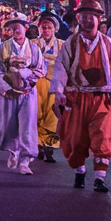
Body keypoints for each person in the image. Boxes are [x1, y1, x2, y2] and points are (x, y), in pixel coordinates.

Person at [51, 0, 111, 192]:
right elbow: (61, 68)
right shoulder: (71, 43)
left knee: (102, 136)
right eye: (83, 17)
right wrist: (58, 92)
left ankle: (100, 178)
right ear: (78, 19)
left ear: (99, 19)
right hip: (76, 98)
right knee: (75, 139)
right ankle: (80, 172)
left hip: (101, 98)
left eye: (90, 16)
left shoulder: (109, 44)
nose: (86, 20)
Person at [0, 17, 45, 175]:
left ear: (26, 28)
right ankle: (13, 151)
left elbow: (40, 68)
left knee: (27, 125)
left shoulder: (34, 49)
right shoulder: (3, 47)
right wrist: (5, 87)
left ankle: (25, 160)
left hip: (27, 93)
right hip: (9, 93)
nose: (15, 32)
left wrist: (28, 74)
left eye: (18, 28)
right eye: (12, 29)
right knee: (8, 126)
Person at [34, 13, 62, 163]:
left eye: (49, 27)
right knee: (36, 115)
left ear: (54, 29)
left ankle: (49, 147)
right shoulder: (32, 44)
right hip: (36, 85)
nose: (46, 30)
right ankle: (38, 144)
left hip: (54, 85)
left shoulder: (61, 45)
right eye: (43, 27)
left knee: (52, 117)